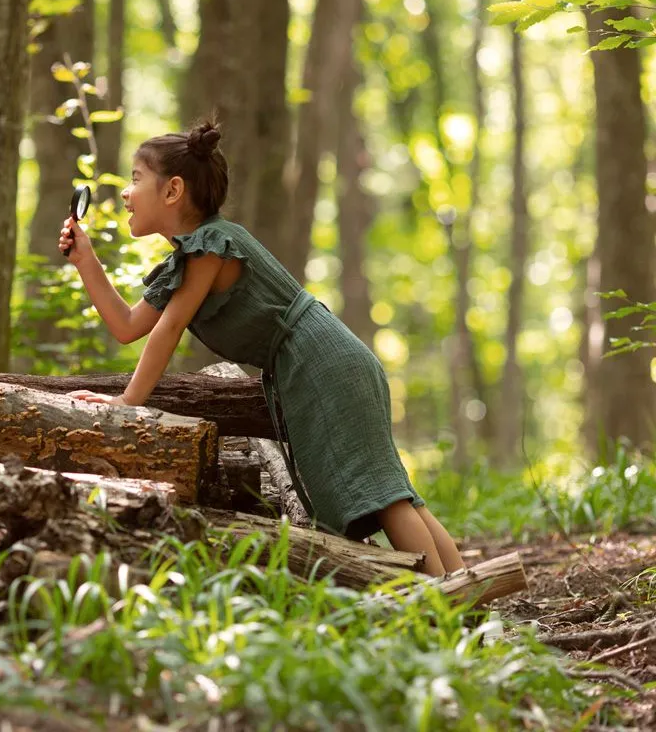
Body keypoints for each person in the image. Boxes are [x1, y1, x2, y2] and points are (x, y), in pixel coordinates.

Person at [58, 120, 465, 576]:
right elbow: (128, 326)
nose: (127, 193)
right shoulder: (190, 260)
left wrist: (127, 403)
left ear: (172, 191)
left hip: (322, 362)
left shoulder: (212, 245)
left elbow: (167, 330)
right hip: (327, 359)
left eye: (135, 179)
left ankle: (443, 608)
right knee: (393, 491)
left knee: (382, 497)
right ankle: (468, 603)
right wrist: (86, 261)